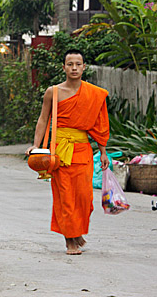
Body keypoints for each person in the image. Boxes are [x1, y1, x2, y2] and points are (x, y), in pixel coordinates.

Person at [26, 49, 109, 255]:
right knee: (65, 197)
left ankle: (76, 231)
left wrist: (103, 152)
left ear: (83, 67)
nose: (74, 68)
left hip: (82, 150)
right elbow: (43, 120)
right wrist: (36, 146)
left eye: (77, 64)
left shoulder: (94, 94)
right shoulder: (53, 92)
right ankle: (69, 241)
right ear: (63, 67)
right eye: (70, 64)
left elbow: (99, 125)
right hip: (60, 151)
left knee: (84, 197)